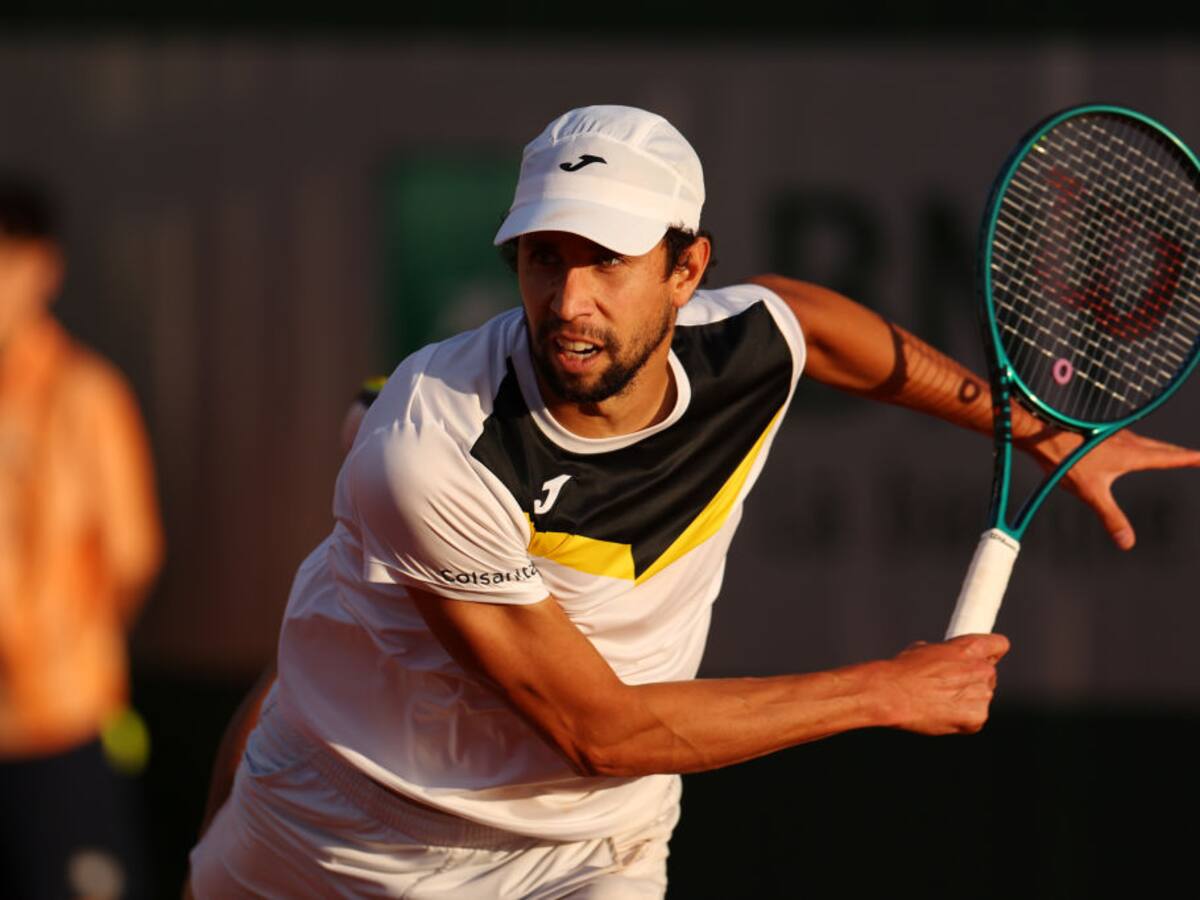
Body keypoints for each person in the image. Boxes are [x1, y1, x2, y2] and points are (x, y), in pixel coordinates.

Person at [188, 106, 1200, 898]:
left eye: (608, 261)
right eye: (546, 257)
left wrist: (1043, 433)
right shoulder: (433, 450)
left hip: (587, 852)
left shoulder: (746, 344)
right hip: (340, 831)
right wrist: (889, 690)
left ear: (687, 270)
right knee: (321, 643)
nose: (570, 301)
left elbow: (818, 324)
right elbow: (602, 731)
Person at [0, 178, 164, 898]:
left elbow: (133, 558)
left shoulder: (88, 395)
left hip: (62, 731)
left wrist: (66, 649)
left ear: (44, 267)